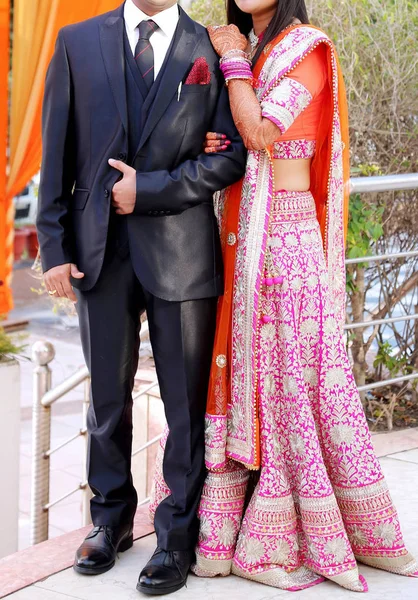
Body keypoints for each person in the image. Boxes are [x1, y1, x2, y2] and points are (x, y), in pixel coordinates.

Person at [150, 0, 418, 592]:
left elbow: (265, 133)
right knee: (248, 374)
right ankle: (229, 526)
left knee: (291, 379)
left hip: (287, 235)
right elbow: (237, 137)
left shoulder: (307, 48)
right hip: (241, 235)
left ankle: (292, 533)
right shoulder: (253, 48)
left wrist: (234, 64)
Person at [36, 0, 246, 595]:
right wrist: (53, 247)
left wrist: (148, 189)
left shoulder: (210, 49)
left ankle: (176, 536)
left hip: (182, 251)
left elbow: (230, 154)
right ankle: (110, 522)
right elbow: (58, 149)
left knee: (184, 406)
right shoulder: (77, 42)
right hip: (97, 251)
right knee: (107, 397)